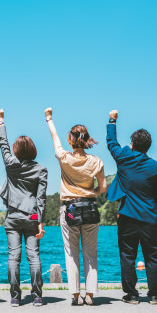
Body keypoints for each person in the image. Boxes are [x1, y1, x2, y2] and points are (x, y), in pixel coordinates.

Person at [44, 107, 107, 306]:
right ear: (87, 139)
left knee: (71, 253)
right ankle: (90, 295)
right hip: (90, 208)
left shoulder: (64, 158)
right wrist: (91, 193)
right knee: (91, 253)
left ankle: (75, 296)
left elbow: (54, 136)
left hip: (70, 209)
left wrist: (49, 118)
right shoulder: (96, 161)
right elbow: (103, 188)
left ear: (71, 139)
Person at [0, 109, 47, 307]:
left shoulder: (10, 164)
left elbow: (3, 145)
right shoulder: (41, 169)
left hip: (13, 217)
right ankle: (37, 296)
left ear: (16, 151)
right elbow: (41, 197)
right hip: (32, 216)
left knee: (13, 257)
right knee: (33, 256)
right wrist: (40, 221)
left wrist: (1, 121)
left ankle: (15, 297)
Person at [106, 110, 157, 305]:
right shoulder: (154, 167)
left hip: (127, 217)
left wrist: (112, 120)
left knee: (127, 256)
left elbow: (111, 142)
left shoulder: (124, 158)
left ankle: (132, 295)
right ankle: (154, 295)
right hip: (150, 218)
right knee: (153, 256)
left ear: (132, 144)